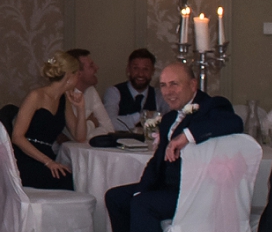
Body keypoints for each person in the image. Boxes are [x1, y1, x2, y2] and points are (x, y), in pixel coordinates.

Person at [104, 61, 244, 232]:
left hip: (194, 191)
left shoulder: (212, 106)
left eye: (174, 84)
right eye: (163, 86)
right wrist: (142, 188)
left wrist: (187, 136)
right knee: (117, 197)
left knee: (143, 205)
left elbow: (234, 123)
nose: (168, 91)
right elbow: (157, 162)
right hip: (166, 187)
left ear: (192, 84)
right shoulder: (169, 119)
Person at [11, 52, 91, 189]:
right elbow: (17, 137)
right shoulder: (35, 96)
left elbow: (80, 137)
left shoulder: (63, 99)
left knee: (73, 179)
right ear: (69, 76)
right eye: (77, 74)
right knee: (67, 181)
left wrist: (81, 108)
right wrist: (48, 162)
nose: (79, 78)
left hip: (46, 156)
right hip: (26, 158)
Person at [64, 48, 116, 138]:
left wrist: (88, 127)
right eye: (91, 66)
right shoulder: (65, 96)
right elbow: (75, 137)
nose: (97, 68)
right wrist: (93, 123)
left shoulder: (91, 91)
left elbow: (109, 129)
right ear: (78, 73)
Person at [106, 48, 160, 132]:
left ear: (153, 71)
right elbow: (108, 122)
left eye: (145, 69)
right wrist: (142, 116)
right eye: (135, 68)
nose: (140, 74)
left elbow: (168, 120)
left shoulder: (158, 94)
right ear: (128, 69)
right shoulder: (114, 92)